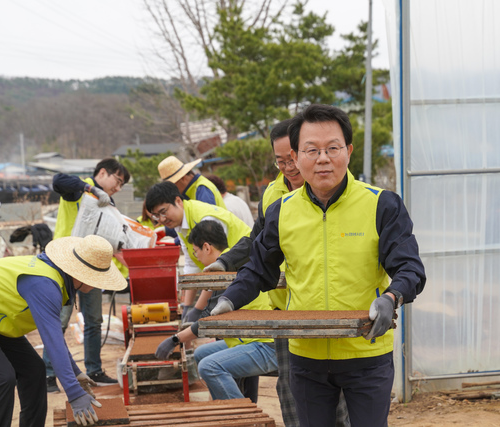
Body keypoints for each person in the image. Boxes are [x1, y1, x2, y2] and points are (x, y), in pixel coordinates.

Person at [211, 104, 427, 427]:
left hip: (366, 353)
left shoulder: (382, 204)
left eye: (332, 148)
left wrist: (391, 297)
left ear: (349, 151)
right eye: (312, 150)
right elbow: (259, 267)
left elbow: (410, 268)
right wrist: (230, 298)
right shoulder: (281, 210)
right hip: (306, 357)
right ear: (296, 157)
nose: (323, 158)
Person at [204, 119, 350, 427]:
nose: (288, 166)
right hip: (287, 311)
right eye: (280, 160)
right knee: (292, 389)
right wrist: (226, 261)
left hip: (335, 310)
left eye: (292, 158)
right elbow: (256, 240)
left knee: (338, 395)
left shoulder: (340, 189)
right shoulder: (274, 195)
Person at [0, 235, 128, 427]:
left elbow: (55, 339)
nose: (99, 285)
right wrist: (74, 393)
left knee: (34, 370)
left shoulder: (57, 280)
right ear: (82, 274)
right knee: (2, 378)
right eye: (98, 278)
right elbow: (52, 342)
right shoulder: (44, 285)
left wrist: (76, 373)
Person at [154, 221, 278, 401]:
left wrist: (175, 339)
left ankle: (243, 416)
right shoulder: (230, 262)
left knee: (209, 366)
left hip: (265, 342)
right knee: (201, 353)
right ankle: (223, 404)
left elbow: (209, 323)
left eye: (195, 251)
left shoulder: (225, 272)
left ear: (206, 247)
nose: (196, 258)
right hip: (249, 336)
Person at [44, 158, 131, 393]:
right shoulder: (78, 189)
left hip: (91, 267)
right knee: (59, 321)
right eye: (118, 180)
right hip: (64, 263)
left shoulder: (107, 202)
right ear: (102, 172)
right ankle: (48, 375)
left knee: (94, 320)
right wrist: (92, 189)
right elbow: (57, 180)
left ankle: (94, 370)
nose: (118, 188)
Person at [144, 181, 251, 324]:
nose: (162, 219)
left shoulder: (206, 220)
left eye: (163, 212)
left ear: (178, 201)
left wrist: (198, 309)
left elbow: (215, 271)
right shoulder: (180, 223)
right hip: (231, 279)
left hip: (247, 275)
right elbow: (191, 265)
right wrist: (187, 306)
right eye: (156, 216)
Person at [158, 155, 226, 208]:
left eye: (172, 185)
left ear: (183, 178)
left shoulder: (201, 188)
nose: (171, 190)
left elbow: (208, 221)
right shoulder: (191, 191)